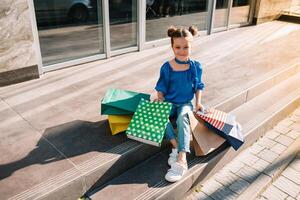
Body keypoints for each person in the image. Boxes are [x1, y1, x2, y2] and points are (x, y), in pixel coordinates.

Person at [154, 25, 205, 182]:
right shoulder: (167, 67)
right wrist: (159, 98)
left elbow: (198, 86)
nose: (182, 51)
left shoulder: (195, 66)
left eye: (186, 47)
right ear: (172, 47)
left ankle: (182, 158)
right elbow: (161, 87)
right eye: (178, 47)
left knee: (183, 117)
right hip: (169, 102)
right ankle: (175, 145)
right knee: (158, 114)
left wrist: (198, 103)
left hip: (185, 103)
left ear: (191, 46)